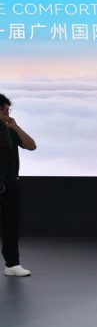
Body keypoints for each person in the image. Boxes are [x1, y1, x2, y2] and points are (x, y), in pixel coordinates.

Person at [0, 93, 37, 277]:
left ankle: (12, 264)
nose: (7, 112)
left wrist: (15, 126)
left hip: (12, 182)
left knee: (11, 225)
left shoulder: (10, 130)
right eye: (3, 109)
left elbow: (32, 146)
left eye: (8, 109)